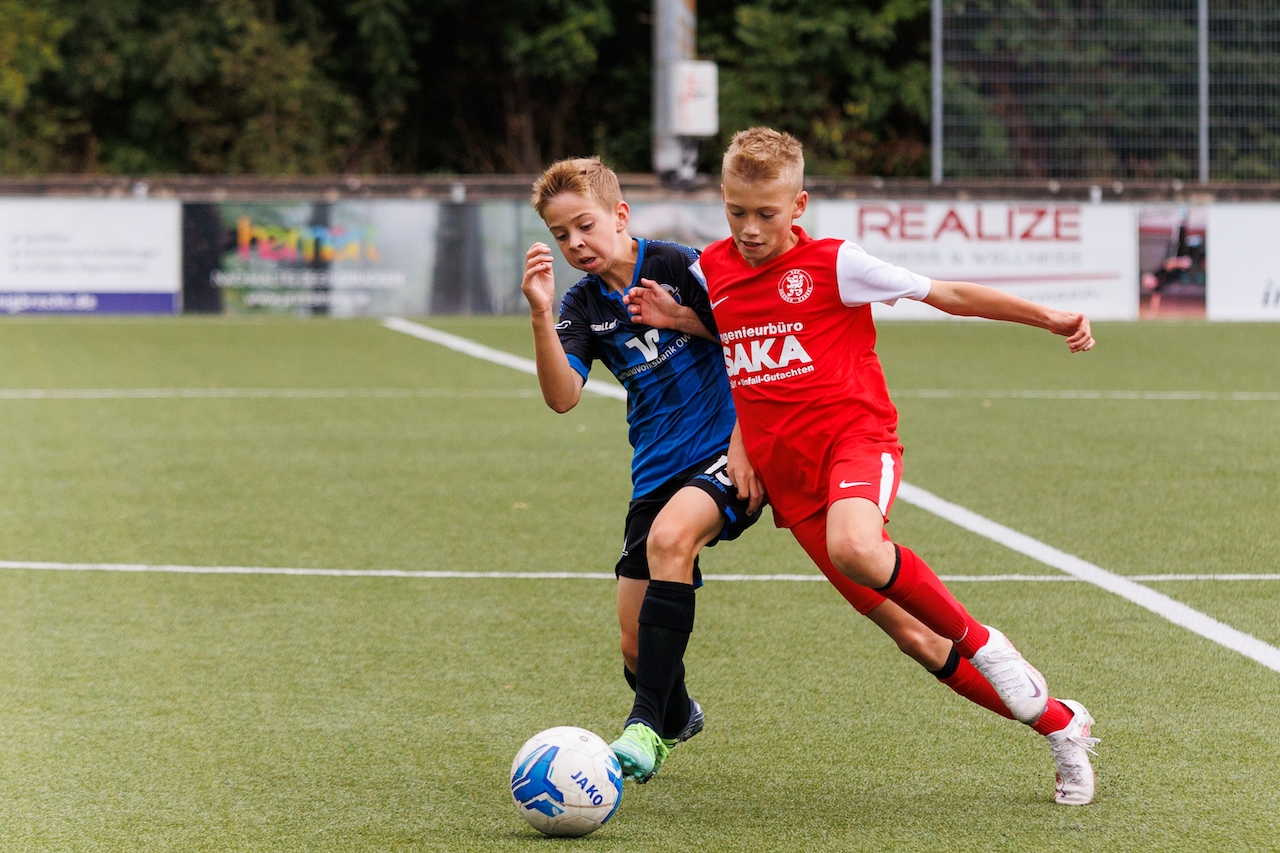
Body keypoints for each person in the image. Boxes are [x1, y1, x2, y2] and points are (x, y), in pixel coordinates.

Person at [624, 128, 1101, 806]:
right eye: (736, 211)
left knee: (857, 546)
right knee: (915, 638)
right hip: (791, 480)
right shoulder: (712, 270)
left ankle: (985, 644)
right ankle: (1061, 725)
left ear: (799, 206)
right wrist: (701, 358)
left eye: (766, 213)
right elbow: (741, 343)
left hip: (855, 442)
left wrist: (1047, 316)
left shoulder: (835, 263)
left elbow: (947, 294)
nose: (750, 229)